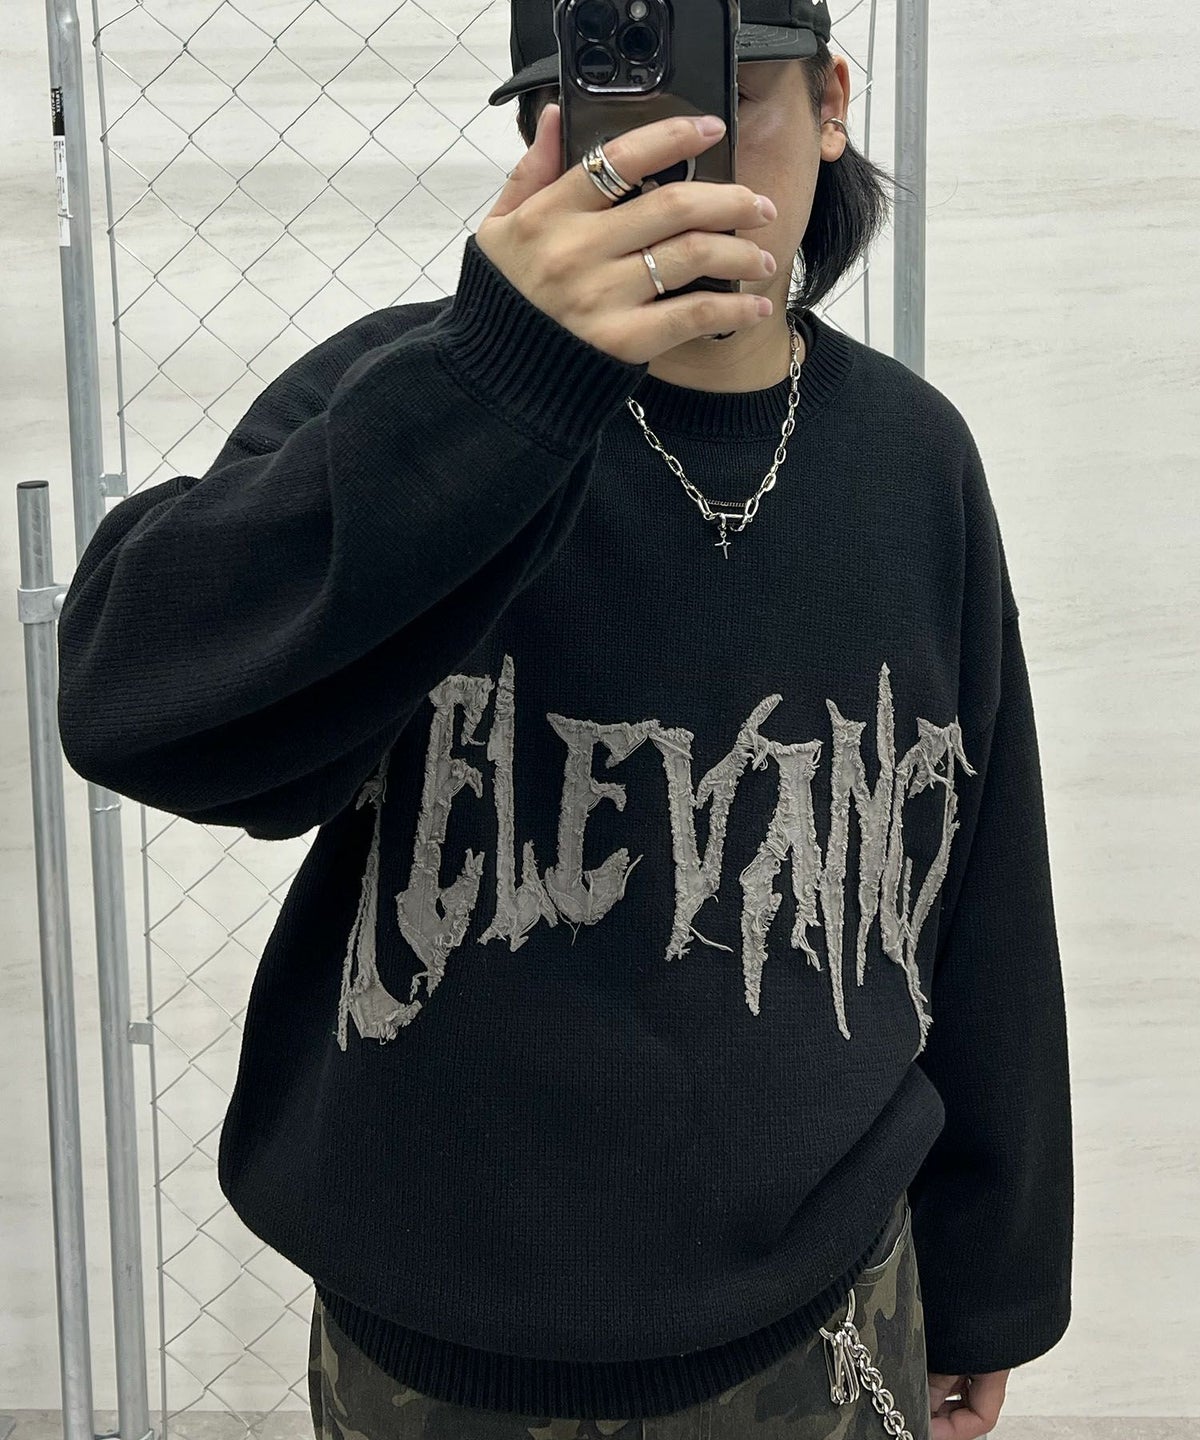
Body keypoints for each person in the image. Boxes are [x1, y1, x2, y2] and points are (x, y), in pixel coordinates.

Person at [55, 1, 1073, 1437]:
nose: (677, 163)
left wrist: (993, 1278)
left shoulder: (909, 456)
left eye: (728, 102)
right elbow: (131, 702)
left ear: (833, 102)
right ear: (545, 139)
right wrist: (494, 381)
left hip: (824, 1316)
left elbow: (979, 877)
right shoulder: (414, 397)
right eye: (610, 119)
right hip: (430, 1345)